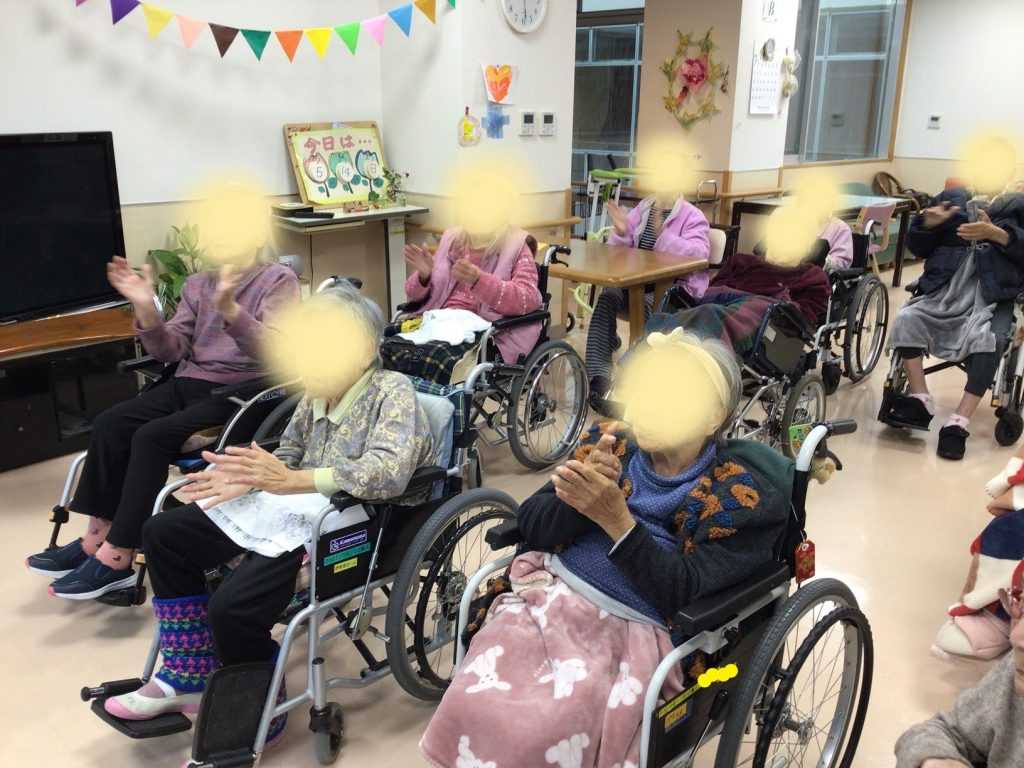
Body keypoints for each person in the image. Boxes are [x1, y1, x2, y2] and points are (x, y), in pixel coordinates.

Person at [419, 329, 790, 768]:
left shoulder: (738, 495)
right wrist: (576, 501)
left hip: (635, 632)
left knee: (544, 727)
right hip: (547, 595)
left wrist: (618, 522)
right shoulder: (613, 442)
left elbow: (685, 593)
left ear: (711, 418)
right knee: (474, 697)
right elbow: (531, 523)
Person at [100, 283, 435, 742]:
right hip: (295, 504)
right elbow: (290, 450)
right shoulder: (318, 392)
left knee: (231, 608)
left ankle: (261, 698)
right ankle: (188, 670)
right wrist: (250, 477)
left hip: (353, 521)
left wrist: (293, 480)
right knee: (163, 533)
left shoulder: (391, 391)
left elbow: (389, 473)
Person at [26, 252, 299, 599]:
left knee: (151, 437)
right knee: (110, 423)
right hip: (187, 382)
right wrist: (146, 309)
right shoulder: (198, 283)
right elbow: (170, 351)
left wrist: (231, 311)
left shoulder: (277, 280)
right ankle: (97, 536)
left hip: (243, 390)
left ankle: (118, 555)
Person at [884, 186, 1024, 460]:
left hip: (992, 297)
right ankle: (921, 399)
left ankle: (958, 422)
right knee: (907, 319)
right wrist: (926, 224)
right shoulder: (954, 200)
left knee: (989, 338)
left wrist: (998, 235)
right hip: (944, 290)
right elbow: (918, 246)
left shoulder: (1018, 207)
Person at [585, 195, 711, 402]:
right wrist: (622, 233)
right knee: (608, 296)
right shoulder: (644, 208)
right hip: (635, 283)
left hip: (672, 290)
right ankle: (599, 377)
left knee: (644, 306)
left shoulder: (692, 216)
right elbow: (616, 256)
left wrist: (664, 235)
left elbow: (700, 254)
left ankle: (633, 378)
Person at [380, 227, 542, 384]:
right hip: (439, 322)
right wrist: (425, 276)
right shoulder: (453, 240)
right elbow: (414, 295)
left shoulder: (516, 245)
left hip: (486, 332)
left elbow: (527, 298)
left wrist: (479, 281)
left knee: (436, 360)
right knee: (382, 348)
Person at [895, 574, 1024, 767]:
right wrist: (938, 760)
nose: (1016, 638)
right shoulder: (1013, 671)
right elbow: (947, 731)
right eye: (1022, 605)